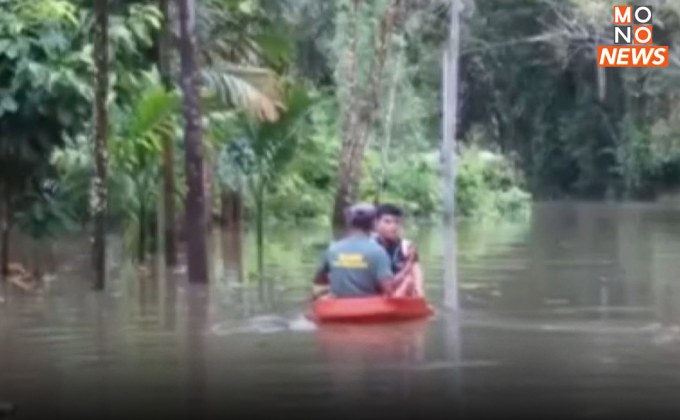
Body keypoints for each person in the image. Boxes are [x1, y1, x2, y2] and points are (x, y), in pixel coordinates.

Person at [312, 203, 408, 299]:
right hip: (367, 307)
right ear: (373, 224)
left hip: (337, 307)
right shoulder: (378, 251)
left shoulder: (332, 249)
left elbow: (319, 281)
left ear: (349, 223)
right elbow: (388, 290)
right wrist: (407, 269)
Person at [373, 203, 425, 297]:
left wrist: (419, 292)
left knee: (409, 281)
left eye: (396, 222)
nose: (393, 226)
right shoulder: (369, 246)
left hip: (399, 294)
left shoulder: (406, 246)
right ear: (376, 224)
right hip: (376, 295)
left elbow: (417, 273)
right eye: (387, 222)